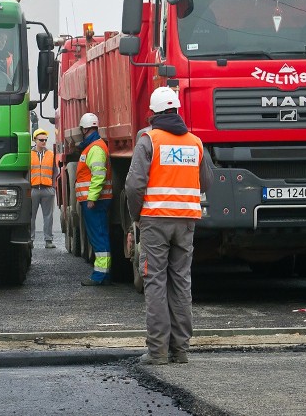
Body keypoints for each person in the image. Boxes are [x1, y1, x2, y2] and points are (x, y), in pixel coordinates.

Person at [125, 86, 213, 365]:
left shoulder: (149, 140)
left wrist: (135, 215)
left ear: (153, 113)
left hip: (155, 221)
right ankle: (180, 350)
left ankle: (158, 351)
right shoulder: (195, 142)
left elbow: (134, 185)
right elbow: (207, 181)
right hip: (186, 223)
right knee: (181, 283)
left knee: (155, 282)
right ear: (177, 111)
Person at [75, 112, 113, 286]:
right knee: (100, 235)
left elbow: (98, 175)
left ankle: (99, 276)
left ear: (84, 129)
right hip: (96, 200)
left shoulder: (95, 148)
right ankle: (104, 274)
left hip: (95, 202)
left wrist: (91, 198)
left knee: (98, 236)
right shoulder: (95, 146)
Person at [30, 128, 56, 249]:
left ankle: (48, 240)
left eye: (45, 140)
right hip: (33, 189)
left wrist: (53, 187)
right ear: (35, 140)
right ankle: (30, 240)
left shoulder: (51, 154)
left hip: (47, 189)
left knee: (48, 216)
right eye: (41, 140)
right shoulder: (29, 154)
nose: (43, 142)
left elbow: (55, 172)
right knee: (31, 216)